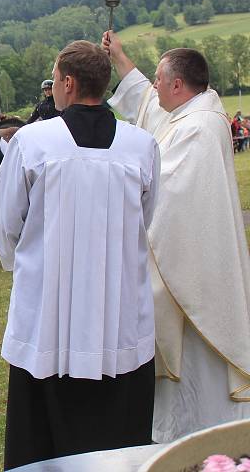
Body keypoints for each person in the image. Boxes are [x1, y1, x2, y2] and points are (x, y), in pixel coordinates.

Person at [0, 40, 159, 469]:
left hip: (50, 314)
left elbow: (7, 225)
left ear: (68, 82)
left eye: (54, 76)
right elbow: (147, 218)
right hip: (118, 313)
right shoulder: (140, 146)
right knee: (118, 439)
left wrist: (32, 267)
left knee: (41, 444)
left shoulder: (33, 142)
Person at [104, 30, 250, 443]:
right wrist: (118, 56)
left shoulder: (200, 128)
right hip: (189, 269)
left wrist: (117, 199)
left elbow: (168, 197)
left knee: (200, 374)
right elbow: (147, 104)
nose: (153, 87)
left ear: (178, 86)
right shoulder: (186, 114)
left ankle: (207, 437)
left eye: (159, 80)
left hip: (197, 276)